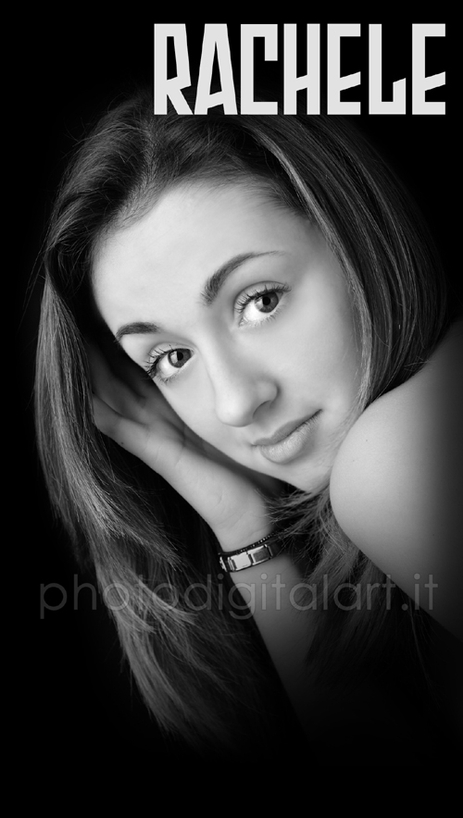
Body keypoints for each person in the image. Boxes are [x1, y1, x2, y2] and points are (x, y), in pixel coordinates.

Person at [35, 86, 462, 764]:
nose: (235, 404)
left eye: (259, 301)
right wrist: (242, 526)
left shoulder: (390, 458)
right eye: (171, 358)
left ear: (351, 226)